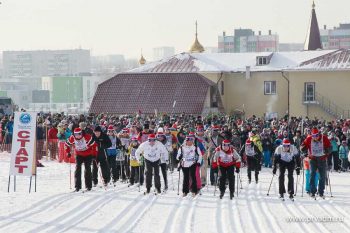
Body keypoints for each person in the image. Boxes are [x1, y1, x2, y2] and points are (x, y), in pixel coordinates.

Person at [301, 128, 331, 198]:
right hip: (313, 159)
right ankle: (312, 191)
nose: (315, 137)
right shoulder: (309, 139)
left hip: (322, 159)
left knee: (322, 176)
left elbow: (330, 147)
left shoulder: (324, 138)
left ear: (319, 134)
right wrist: (304, 151)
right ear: (311, 135)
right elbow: (302, 146)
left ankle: (321, 192)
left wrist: (328, 150)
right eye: (313, 136)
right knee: (312, 175)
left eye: (316, 135)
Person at [65, 128, 96, 192]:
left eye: (79, 134)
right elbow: (66, 144)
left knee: (87, 169)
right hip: (79, 154)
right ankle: (77, 187)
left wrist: (94, 154)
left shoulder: (87, 137)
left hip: (88, 154)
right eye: (75, 134)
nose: (77, 136)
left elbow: (94, 145)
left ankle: (88, 186)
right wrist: (68, 152)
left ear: (81, 133)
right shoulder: (72, 138)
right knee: (77, 169)